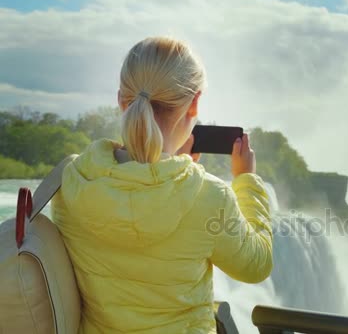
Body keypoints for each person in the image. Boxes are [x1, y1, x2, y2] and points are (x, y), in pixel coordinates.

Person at [51, 37, 273, 333]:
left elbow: (134, 198)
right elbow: (256, 265)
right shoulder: (208, 196)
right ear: (194, 104)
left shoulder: (74, 180)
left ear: (121, 99)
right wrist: (246, 180)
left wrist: (172, 168)